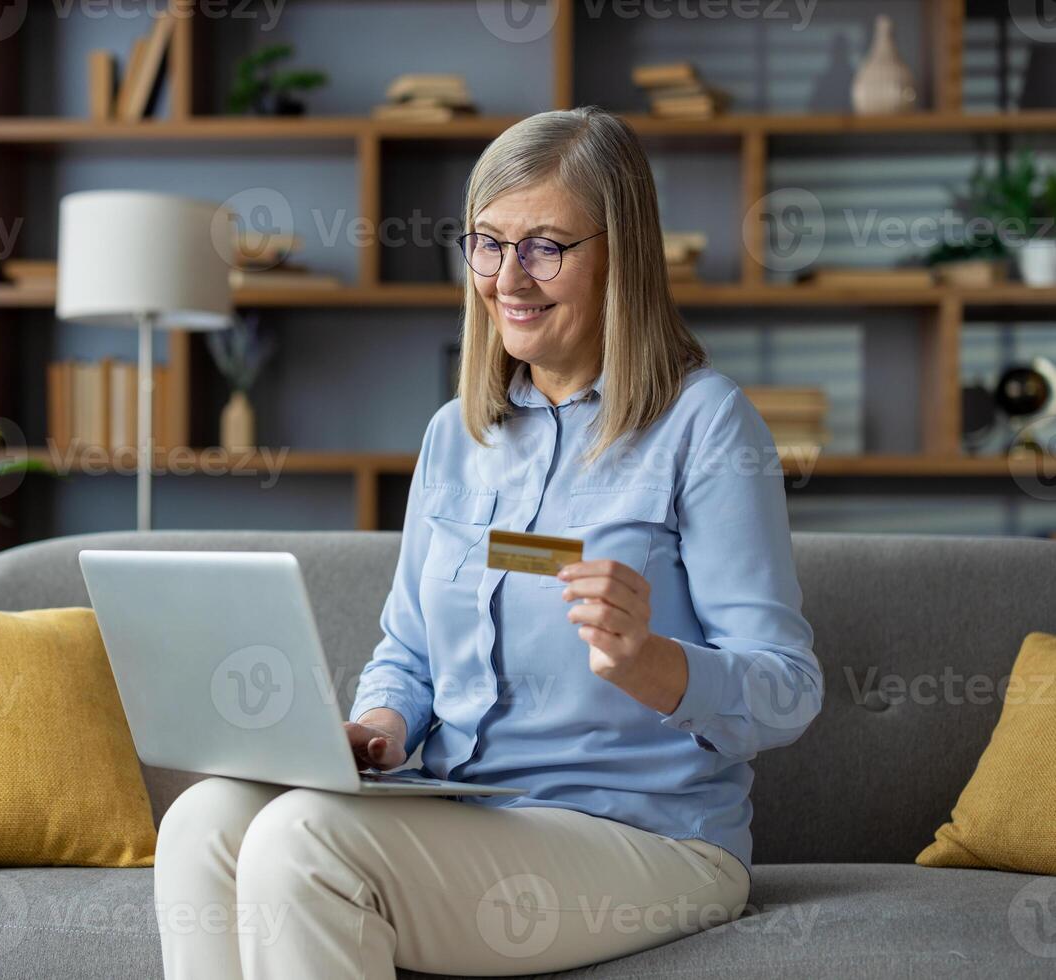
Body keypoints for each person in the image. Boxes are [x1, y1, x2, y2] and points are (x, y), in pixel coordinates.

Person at [154, 105, 823, 979]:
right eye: (488, 242)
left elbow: (790, 690)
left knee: (302, 840)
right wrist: (383, 727)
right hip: (469, 807)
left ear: (620, 253)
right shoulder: (456, 435)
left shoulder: (706, 424)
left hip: (648, 838)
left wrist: (651, 661)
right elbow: (408, 651)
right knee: (203, 820)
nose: (510, 277)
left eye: (546, 245)